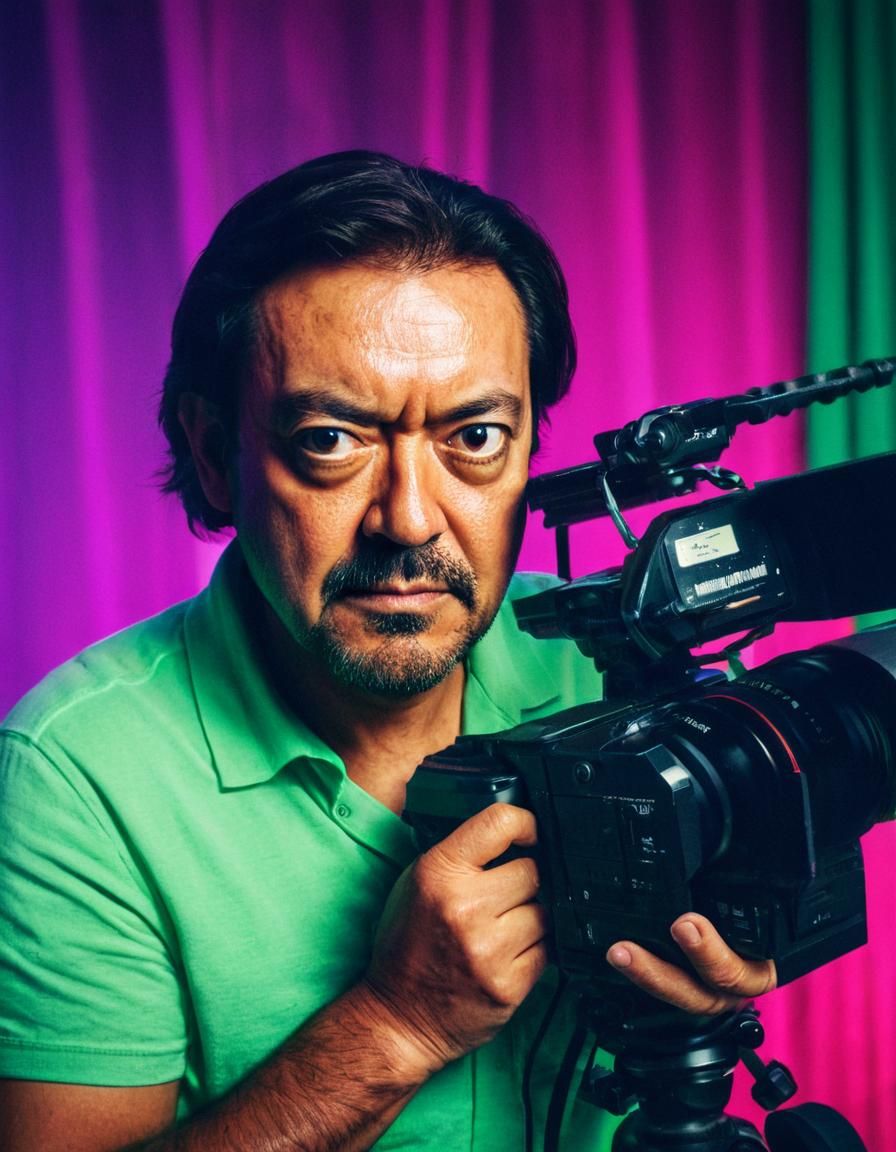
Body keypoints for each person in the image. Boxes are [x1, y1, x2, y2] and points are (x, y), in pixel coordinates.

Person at [0, 151, 775, 1151]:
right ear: (210, 453)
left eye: (475, 438)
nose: (409, 520)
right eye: (331, 440)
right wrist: (395, 1025)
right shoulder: (73, 777)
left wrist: (715, 968)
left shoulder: (617, 663)